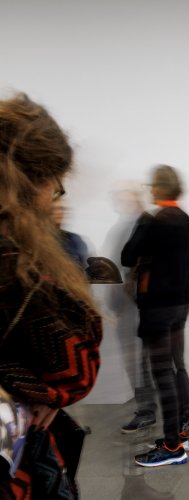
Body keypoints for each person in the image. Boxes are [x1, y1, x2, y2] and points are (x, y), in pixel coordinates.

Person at [0, 93, 102, 498]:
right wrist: (43, 389)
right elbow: (73, 365)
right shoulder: (16, 269)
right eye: (54, 188)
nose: (53, 201)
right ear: (33, 182)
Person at [122, 165, 189, 467]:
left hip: (159, 307)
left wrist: (142, 218)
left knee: (162, 373)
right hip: (180, 303)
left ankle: (170, 447)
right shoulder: (182, 218)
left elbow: (128, 256)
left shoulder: (157, 221)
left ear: (157, 188)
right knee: (177, 367)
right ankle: (183, 433)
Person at [51, 200, 89, 269]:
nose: (59, 212)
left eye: (61, 209)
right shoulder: (38, 241)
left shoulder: (75, 240)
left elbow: (86, 267)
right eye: (53, 209)